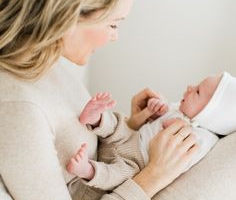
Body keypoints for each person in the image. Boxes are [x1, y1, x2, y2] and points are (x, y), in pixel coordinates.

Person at [0, 0, 236, 200]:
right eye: (113, 24)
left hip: (114, 182)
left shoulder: (40, 59)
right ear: (69, 12)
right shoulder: (17, 109)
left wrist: (130, 125)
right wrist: (154, 175)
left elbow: (68, 136)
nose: (115, 37)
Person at [67, 71, 236, 188]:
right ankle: (96, 118)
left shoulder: (203, 138)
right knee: (117, 124)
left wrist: (169, 123)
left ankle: (88, 171)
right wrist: (158, 110)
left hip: (137, 163)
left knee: (117, 176)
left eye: (197, 92)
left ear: (210, 115)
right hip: (131, 137)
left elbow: (180, 162)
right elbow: (156, 120)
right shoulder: (181, 109)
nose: (190, 87)